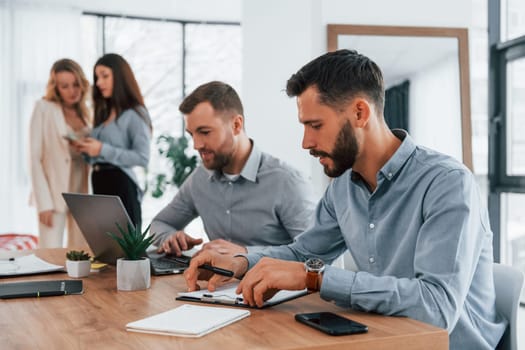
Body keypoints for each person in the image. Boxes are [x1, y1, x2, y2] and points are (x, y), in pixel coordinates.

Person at [184, 50, 507, 349]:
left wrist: (315, 277)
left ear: (360, 112)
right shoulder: (344, 187)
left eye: (315, 125)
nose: (305, 142)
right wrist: (242, 263)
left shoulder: (447, 183)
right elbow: (303, 252)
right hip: (382, 338)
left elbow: (436, 308)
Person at [151, 81, 317, 256]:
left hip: (274, 283)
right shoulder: (199, 179)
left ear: (236, 125)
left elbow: (317, 255)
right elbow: (159, 224)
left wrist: (245, 253)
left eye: (205, 132)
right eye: (192, 134)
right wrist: (169, 237)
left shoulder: (287, 181)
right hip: (216, 283)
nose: (196, 145)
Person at [75, 53, 152, 231]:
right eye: (97, 77)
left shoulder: (135, 114)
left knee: (124, 252)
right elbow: (100, 156)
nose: (99, 82)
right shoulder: (103, 114)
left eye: (105, 76)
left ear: (120, 76)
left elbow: (142, 157)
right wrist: (87, 150)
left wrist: (101, 149)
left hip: (121, 185)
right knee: (104, 248)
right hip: (99, 181)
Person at [29, 58, 91, 248]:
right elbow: (35, 158)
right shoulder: (43, 108)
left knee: (82, 255)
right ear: (55, 87)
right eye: (65, 86)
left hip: (82, 191)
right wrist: (43, 203)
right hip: (53, 192)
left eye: (75, 85)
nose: (72, 91)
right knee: (50, 254)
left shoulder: (88, 112)